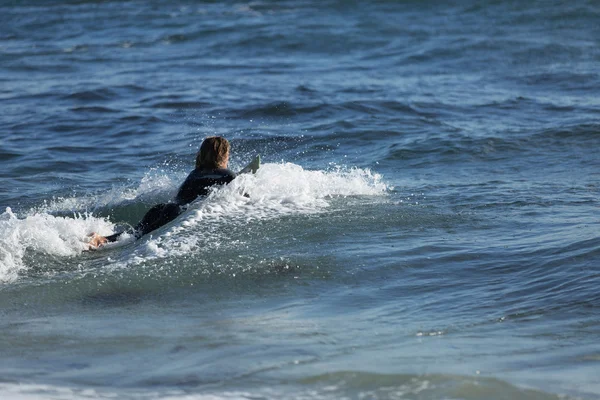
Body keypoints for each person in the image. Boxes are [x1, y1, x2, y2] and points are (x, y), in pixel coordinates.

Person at [88, 136, 235, 249]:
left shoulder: (194, 173)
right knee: (136, 238)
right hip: (176, 212)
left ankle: (101, 239)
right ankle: (100, 242)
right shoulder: (227, 174)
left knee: (135, 233)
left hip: (163, 207)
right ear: (223, 155)